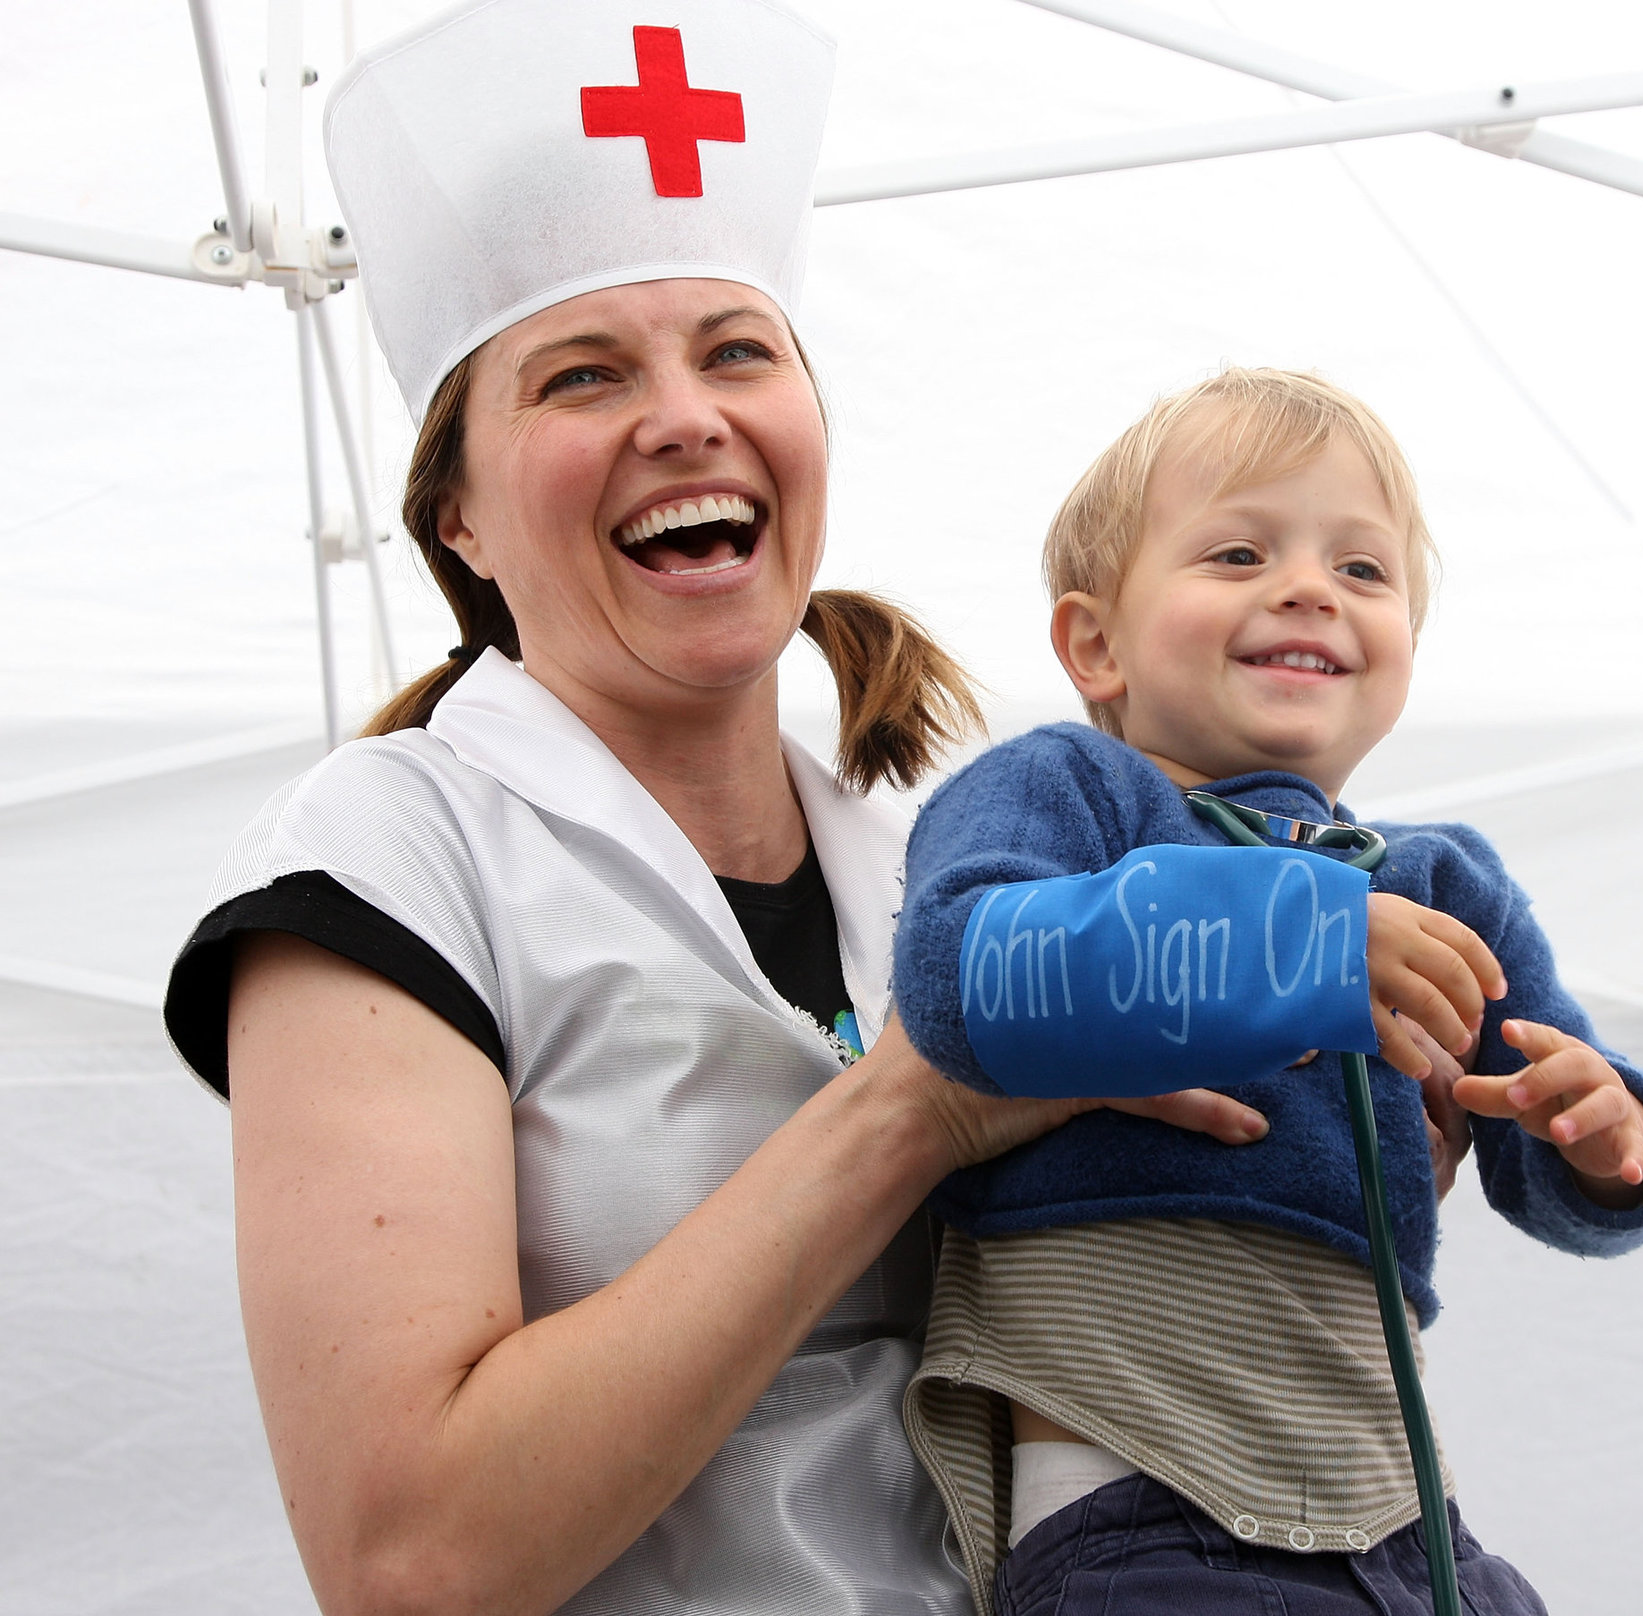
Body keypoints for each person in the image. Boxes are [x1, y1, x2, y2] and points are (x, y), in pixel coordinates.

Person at [157, 6, 1329, 1614]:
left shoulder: (950, 856)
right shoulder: (384, 863)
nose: (684, 415)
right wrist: (909, 1113)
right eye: (581, 375)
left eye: (734, 351)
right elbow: (411, 1559)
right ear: (459, 519)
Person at [891, 368, 1643, 1616]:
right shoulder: (1069, 792)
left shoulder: (1437, 880)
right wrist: (1296, 943)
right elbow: (960, 971)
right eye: (1238, 552)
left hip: (1406, 1529)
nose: (1310, 586)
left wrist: (1606, 1132)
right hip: (1147, 1511)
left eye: (1363, 569)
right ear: (1095, 643)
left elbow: (1550, 1148)